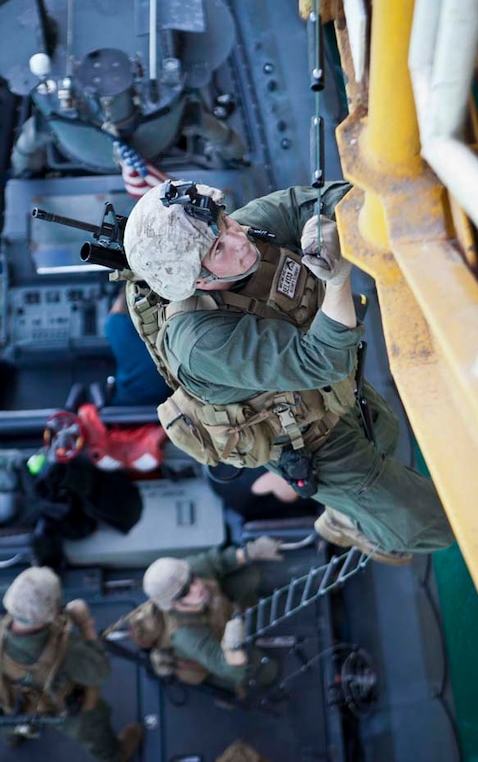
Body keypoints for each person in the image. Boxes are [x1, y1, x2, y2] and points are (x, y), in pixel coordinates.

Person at [121, 180, 454, 564]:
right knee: (431, 525)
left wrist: (322, 221)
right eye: (219, 247)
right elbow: (321, 360)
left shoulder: (233, 234)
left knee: (385, 434)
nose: (239, 237)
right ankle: (360, 526)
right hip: (311, 442)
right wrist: (337, 278)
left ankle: (345, 513)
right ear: (197, 279)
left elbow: (311, 202)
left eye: (226, 222)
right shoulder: (198, 342)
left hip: (335, 394)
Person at [0, 566, 142, 760]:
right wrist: (85, 624)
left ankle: (14, 737)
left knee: (10, 721)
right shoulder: (67, 650)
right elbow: (101, 671)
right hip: (61, 709)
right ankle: (114, 756)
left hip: (10, 702)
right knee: (94, 726)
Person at [123, 540, 283, 694]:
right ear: (173, 603)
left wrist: (252, 551)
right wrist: (232, 646)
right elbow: (226, 668)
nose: (197, 587)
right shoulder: (186, 635)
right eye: (185, 592)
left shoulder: (189, 569)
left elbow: (219, 560)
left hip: (220, 609)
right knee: (268, 671)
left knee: (250, 574)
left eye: (192, 579)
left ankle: (249, 611)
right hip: (218, 643)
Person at [104, 288, 172, 406]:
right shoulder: (171, 325)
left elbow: (115, 314)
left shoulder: (115, 325)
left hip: (124, 404)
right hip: (167, 402)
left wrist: (125, 288)